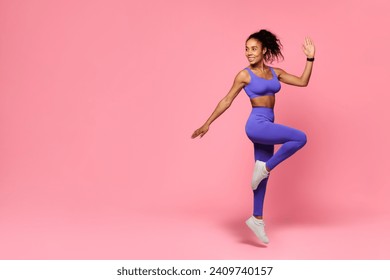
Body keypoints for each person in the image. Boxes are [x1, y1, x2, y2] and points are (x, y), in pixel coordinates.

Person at [191, 29, 315, 245]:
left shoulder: (276, 72)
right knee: (300, 137)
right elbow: (227, 100)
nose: (249, 53)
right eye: (246, 49)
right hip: (256, 125)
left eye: (253, 48)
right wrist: (207, 123)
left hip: (269, 122)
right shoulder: (244, 75)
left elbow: (303, 81)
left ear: (264, 50)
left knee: (261, 178)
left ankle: (256, 218)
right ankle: (264, 168)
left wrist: (310, 57)